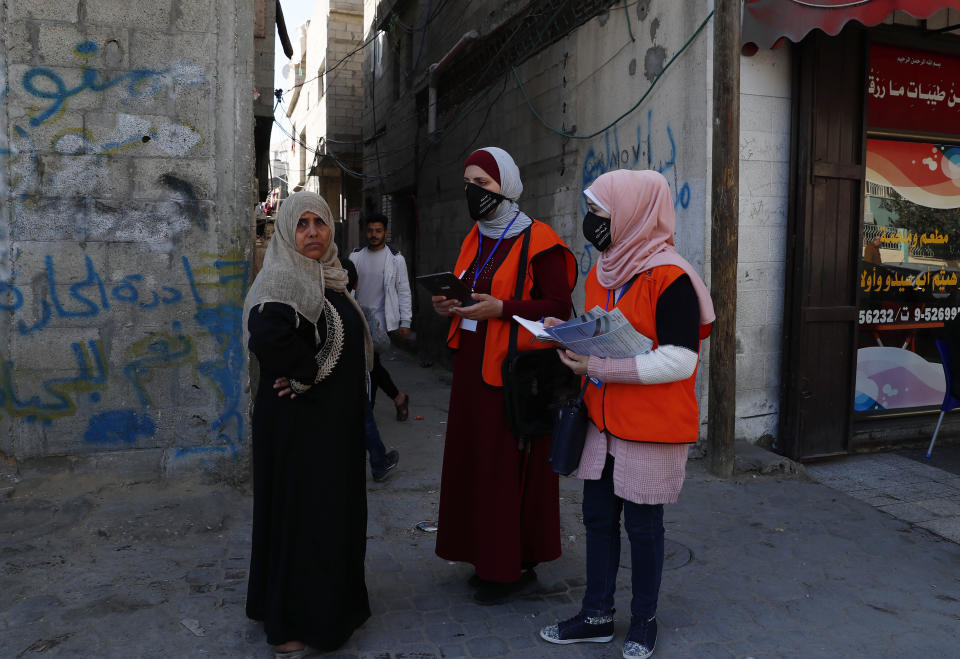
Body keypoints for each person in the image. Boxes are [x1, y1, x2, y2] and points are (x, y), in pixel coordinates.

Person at [538, 169, 715, 658]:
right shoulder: (603, 270)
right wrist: (565, 331)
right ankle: (596, 616)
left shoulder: (670, 276)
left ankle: (643, 622)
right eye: (591, 210)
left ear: (633, 214)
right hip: (602, 420)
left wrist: (599, 366)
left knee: (643, 525)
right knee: (597, 518)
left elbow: (680, 359)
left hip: (651, 425)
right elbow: (605, 329)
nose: (590, 221)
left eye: (599, 213)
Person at [431, 147, 577, 603]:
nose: (474, 191)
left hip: (513, 375)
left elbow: (559, 306)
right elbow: (467, 291)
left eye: (484, 184)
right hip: (473, 372)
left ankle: (512, 567)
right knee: (476, 465)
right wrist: (447, 304)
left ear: (506, 187)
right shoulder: (475, 237)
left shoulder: (541, 240)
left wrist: (504, 309)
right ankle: (485, 556)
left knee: (506, 467)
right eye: (469, 182)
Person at [244, 191, 374, 657]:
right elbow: (267, 334)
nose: (314, 233)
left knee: (330, 517)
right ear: (286, 232)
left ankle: (334, 608)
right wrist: (302, 374)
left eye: (320, 223)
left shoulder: (332, 277)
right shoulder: (282, 277)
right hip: (297, 429)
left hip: (331, 430)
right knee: (301, 519)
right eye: (302, 225)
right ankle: (291, 623)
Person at [342, 256, 401, 482]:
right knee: (365, 419)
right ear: (356, 284)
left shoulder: (321, 306)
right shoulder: (361, 312)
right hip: (356, 375)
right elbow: (381, 344)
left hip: (330, 376)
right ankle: (378, 462)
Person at [349, 213, 412, 421]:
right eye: (370, 231)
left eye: (378, 231)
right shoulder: (356, 256)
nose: (373, 235)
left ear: (385, 232)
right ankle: (398, 397)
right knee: (370, 365)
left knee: (371, 363)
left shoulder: (395, 259)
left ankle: (368, 414)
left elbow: (404, 290)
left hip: (381, 322)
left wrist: (405, 321)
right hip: (358, 318)